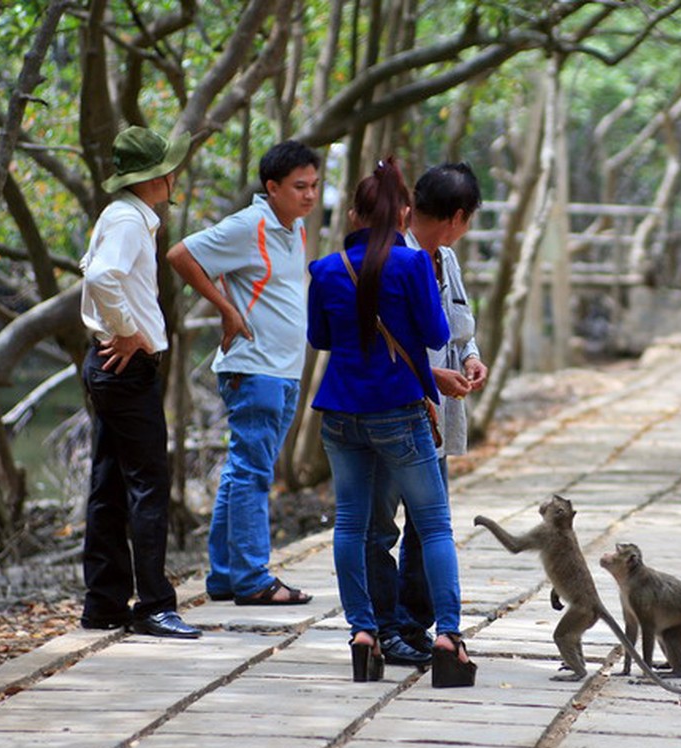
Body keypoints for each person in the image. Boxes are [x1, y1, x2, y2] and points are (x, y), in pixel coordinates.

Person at [307, 157, 476, 686]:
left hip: (339, 412)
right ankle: (448, 637)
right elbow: (432, 330)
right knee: (434, 523)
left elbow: (321, 339)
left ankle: (364, 634)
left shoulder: (326, 268)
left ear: (355, 214)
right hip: (399, 412)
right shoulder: (412, 266)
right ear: (404, 214)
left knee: (352, 525)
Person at [167, 141, 319, 605]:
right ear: (271, 188)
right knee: (251, 471)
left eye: (314, 186)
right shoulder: (249, 225)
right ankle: (253, 579)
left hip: (282, 369)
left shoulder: (294, 227)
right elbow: (180, 255)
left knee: (243, 470)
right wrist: (225, 309)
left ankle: (225, 576)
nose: (310, 196)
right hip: (254, 369)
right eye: (299, 187)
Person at [79, 125, 200, 639]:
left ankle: (104, 602)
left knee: (109, 483)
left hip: (111, 369)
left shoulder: (124, 216)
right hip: (126, 370)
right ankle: (153, 603)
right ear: (160, 177)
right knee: (149, 484)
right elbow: (100, 277)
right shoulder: (129, 220)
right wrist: (128, 331)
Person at [367, 162, 488, 666]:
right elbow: (373, 336)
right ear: (458, 216)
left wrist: (471, 357)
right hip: (394, 411)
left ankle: (414, 623)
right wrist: (430, 375)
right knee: (379, 525)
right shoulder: (392, 257)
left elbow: (459, 328)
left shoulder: (448, 260)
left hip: (437, 418)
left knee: (426, 524)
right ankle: (380, 626)